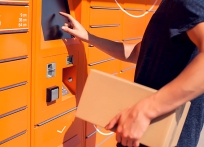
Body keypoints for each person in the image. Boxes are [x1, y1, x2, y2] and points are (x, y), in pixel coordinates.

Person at [59, 0, 204, 146]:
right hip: (142, 135)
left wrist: (146, 111)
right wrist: (88, 37)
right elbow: (137, 53)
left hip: (162, 137)